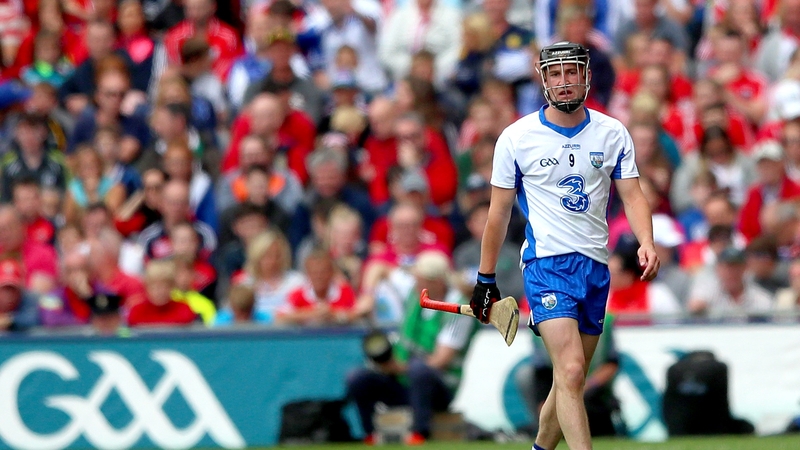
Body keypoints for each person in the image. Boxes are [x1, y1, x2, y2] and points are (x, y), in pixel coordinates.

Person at [470, 42, 659, 450]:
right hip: (546, 266)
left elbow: (634, 195)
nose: (564, 81)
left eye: (571, 72)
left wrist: (646, 241)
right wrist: (485, 278)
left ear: (586, 75)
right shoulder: (516, 138)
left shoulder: (612, 133)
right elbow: (498, 214)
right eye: (555, 74)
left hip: (594, 267)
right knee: (571, 371)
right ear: (544, 80)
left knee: (568, 381)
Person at [346, 250, 475, 444]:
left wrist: (399, 367)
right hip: (404, 380)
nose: (415, 284)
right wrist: (368, 294)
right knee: (357, 378)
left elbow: (440, 361)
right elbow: (378, 266)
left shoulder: (459, 309)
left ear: (437, 282)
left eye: (420, 280)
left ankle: (419, 434)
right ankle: (371, 435)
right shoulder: (415, 294)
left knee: (419, 369)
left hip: (439, 388)